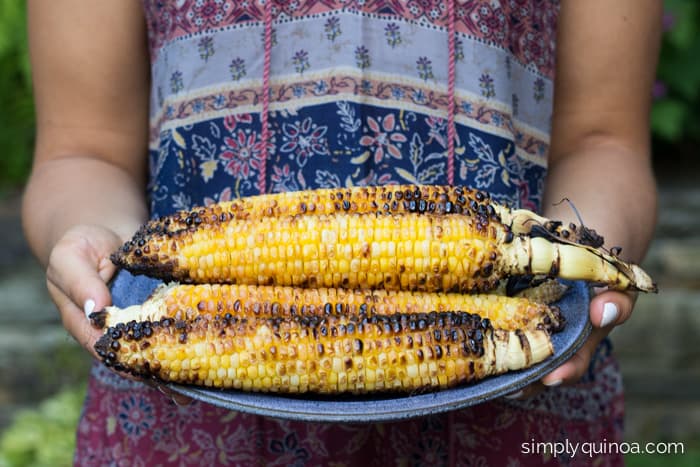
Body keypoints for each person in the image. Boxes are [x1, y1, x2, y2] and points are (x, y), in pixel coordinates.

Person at [22, 0, 661, 465]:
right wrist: (90, 233)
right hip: (182, 417)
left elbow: (604, 138)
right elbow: (83, 150)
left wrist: (586, 250)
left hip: (522, 403)